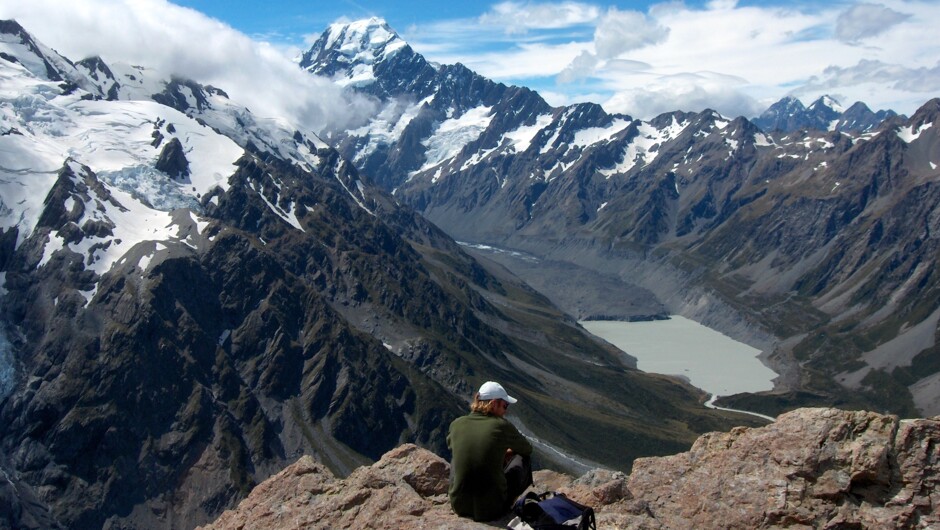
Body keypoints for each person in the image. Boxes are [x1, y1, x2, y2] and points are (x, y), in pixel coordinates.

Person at [447, 380, 533, 522]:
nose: (506, 410)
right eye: (505, 405)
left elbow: (452, 445)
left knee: (456, 457)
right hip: (492, 510)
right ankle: (508, 501)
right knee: (523, 458)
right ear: (493, 404)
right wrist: (507, 452)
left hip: (459, 506)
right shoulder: (501, 426)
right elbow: (527, 449)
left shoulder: (457, 424)